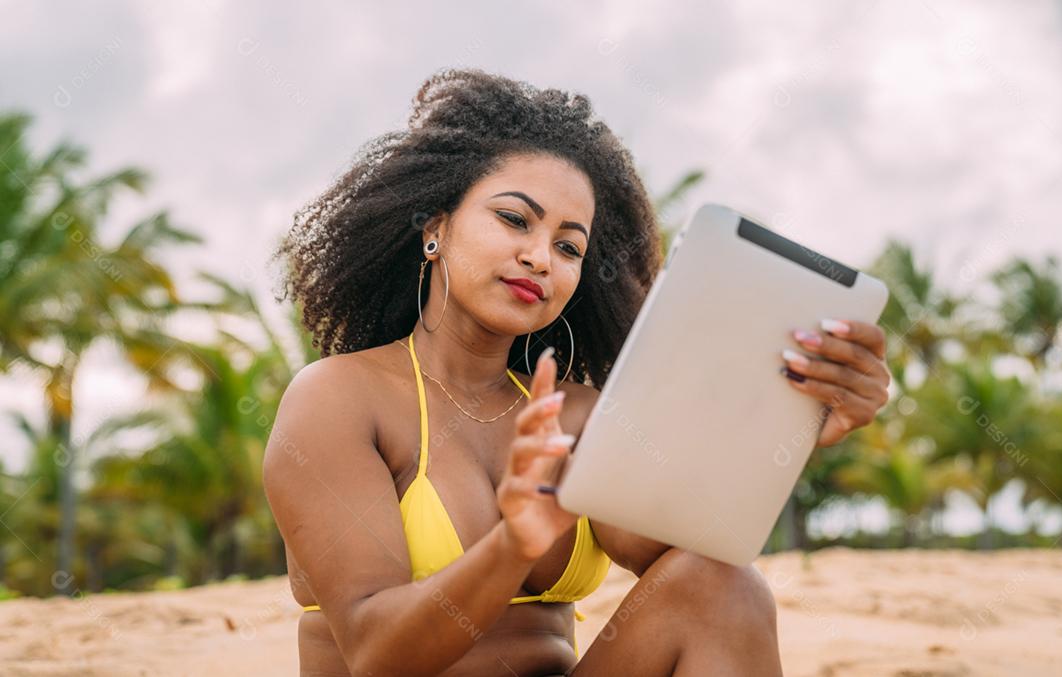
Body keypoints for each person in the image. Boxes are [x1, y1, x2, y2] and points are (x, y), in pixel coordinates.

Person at [264, 67, 891, 676]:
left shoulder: (580, 415)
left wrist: (796, 421)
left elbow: (698, 555)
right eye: (514, 219)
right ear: (436, 227)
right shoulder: (339, 398)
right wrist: (514, 545)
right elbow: (376, 655)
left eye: (569, 247)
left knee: (724, 587)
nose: (540, 257)